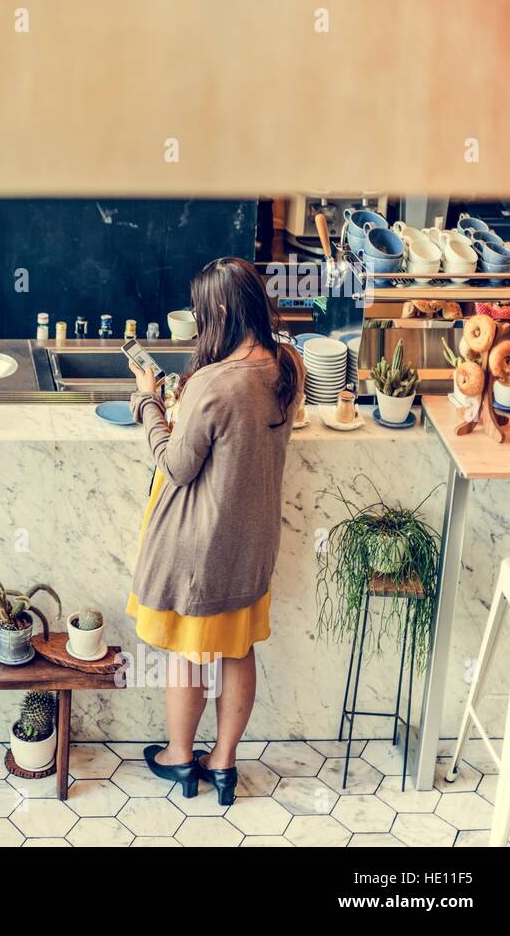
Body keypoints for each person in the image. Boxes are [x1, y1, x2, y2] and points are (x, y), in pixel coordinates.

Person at [125, 257, 304, 805]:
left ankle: (181, 759)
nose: (201, 326)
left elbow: (175, 465)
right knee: (238, 649)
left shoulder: (214, 383)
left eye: (203, 315)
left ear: (222, 309)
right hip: (251, 545)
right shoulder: (287, 363)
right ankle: (223, 765)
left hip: (201, 550)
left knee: (186, 653)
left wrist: (148, 400)